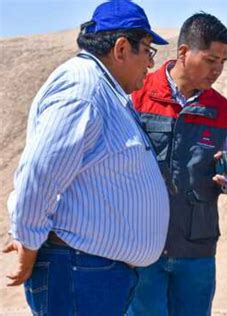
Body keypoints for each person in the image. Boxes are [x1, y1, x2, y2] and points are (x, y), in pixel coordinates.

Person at [2, 1, 170, 315]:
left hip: (93, 272)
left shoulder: (104, 90)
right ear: (121, 48)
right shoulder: (83, 89)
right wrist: (28, 239)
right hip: (79, 272)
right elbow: (41, 172)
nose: (150, 63)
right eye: (147, 50)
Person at [127, 12, 227, 315]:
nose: (217, 70)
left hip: (196, 252)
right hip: (142, 249)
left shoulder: (220, 108)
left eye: (222, 62)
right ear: (183, 52)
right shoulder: (136, 96)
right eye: (210, 60)